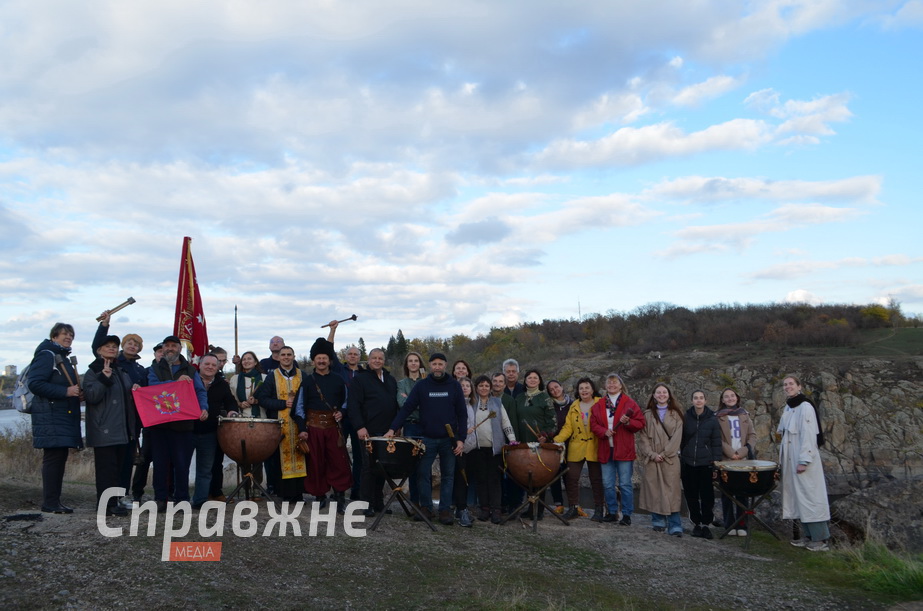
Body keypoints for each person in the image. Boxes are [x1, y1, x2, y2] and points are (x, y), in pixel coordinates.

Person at [386, 353, 468, 526]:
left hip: (449, 439)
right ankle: (426, 508)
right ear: (430, 365)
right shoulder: (422, 386)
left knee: (448, 475)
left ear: (445, 365)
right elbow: (407, 408)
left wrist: (461, 439)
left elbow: (462, 413)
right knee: (423, 474)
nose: (437, 367)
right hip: (427, 438)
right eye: (434, 364)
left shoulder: (454, 386)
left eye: (440, 364)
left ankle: (444, 510)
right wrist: (393, 428)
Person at [293, 323, 352, 512]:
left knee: (339, 462)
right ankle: (320, 496)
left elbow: (347, 401)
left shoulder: (338, 380)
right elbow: (299, 407)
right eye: (318, 358)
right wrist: (302, 428)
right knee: (316, 464)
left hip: (334, 429)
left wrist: (341, 412)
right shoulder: (307, 381)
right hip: (313, 429)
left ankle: (340, 496)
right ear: (313, 361)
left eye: (324, 358)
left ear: (329, 360)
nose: (321, 361)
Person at [91, 311, 148, 510]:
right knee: (109, 466)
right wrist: (104, 325)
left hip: (131, 423)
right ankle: (109, 502)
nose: (132, 346)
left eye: (136, 344)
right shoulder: (110, 363)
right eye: (129, 343)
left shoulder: (139, 370)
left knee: (125, 462)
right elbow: (98, 346)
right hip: (110, 424)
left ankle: (121, 496)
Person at [146, 335, 209, 510]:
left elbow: (200, 391)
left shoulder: (190, 370)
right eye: (167, 346)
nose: (170, 348)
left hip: (183, 425)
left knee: (182, 464)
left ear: (180, 349)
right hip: (160, 425)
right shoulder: (154, 369)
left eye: (174, 345)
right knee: (160, 464)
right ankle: (160, 498)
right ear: (163, 348)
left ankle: (182, 499)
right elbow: (153, 388)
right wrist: (176, 383)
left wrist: (203, 408)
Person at [28, 323, 82, 514]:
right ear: (54, 336)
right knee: (53, 459)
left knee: (59, 458)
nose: (68, 337)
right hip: (51, 416)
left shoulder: (62, 357)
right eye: (64, 334)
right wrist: (65, 391)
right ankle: (50, 502)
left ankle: (54, 501)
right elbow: (34, 383)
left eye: (71, 335)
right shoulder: (46, 355)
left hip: (60, 415)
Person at [83, 334, 139, 516]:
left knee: (117, 470)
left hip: (122, 430)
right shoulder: (93, 371)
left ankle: (113, 503)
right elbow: (91, 397)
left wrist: (135, 390)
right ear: (99, 350)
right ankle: (105, 506)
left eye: (115, 346)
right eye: (107, 346)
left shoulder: (121, 371)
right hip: (104, 429)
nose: (112, 348)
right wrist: (103, 379)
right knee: (106, 471)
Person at [779, 376, 831, 552]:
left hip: (803, 460)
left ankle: (820, 539)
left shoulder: (805, 407)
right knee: (799, 498)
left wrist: (804, 460)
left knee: (811, 497)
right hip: (791, 459)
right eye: (785, 385)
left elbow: (809, 434)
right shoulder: (789, 407)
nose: (788, 387)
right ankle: (808, 536)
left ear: (799, 386)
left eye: (791, 384)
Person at [347, 348, 400, 516]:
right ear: (368, 360)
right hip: (368, 430)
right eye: (374, 358)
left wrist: (395, 427)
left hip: (387, 431)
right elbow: (353, 405)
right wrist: (359, 427)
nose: (377, 360)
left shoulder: (390, 380)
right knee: (368, 467)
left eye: (380, 358)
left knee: (382, 467)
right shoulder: (360, 379)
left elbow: (395, 405)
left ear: (384, 361)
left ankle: (379, 503)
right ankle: (366, 504)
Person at [254, 345, 307, 503]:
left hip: (300, 424)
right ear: (279, 357)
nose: (285, 357)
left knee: (301, 454)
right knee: (279, 459)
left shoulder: (302, 375)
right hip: (280, 424)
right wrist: (283, 403)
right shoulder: (273, 376)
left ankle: (299, 493)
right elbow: (263, 399)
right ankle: (283, 493)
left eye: (289, 354)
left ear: (293, 356)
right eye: (283, 354)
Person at [590, 373, 644, 525]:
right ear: (605, 386)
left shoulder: (629, 403)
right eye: (609, 383)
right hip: (606, 449)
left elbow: (640, 423)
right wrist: (603, 432)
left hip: (624, 449)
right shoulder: (599, 404)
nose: (612, 385)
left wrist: (628, 423)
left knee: (625, 484)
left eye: (615, 383)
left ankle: (626, 514)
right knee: (607, 483)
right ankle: (612, 512)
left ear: (621, 385)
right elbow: (593, 424)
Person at [467, 375, 516, 524]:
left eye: (486, 386)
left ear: (490, 388)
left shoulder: (497, 402)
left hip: (494, 449)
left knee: (494, 480)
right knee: (481, 479)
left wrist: (512, 440)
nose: (484, 388)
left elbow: (505, 422)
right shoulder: (472, 403)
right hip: (477, 448)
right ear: (476, 388)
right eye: (481, 386)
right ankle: (485, 508)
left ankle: (496, 510)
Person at [637, 383, 685, 537]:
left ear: (669, 395)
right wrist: (652, 454)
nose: (662, 394)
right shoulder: (647, 415)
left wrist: (664, 454)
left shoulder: (676, 414)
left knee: (672, 491)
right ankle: (657, 521)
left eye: (664, 392)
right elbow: (642, 438)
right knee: (654, 489)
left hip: (670, 459)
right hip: (652, 459)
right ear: (654, 395)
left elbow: (677, 437)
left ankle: (675, 524)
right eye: (658, 392)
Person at [508, 369, 556, 519]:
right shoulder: (519, 398)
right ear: (525, 380)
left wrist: (546, 436)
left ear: (540, 380)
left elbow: (552, 420)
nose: (533, 380)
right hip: (522, 442)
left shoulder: (545, 398)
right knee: (526, 475)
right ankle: (529, 507)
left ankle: (538, 510)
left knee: (539, 476)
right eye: (530, 377)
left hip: (540, 442)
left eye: (536, 377)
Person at [554, 378, 604, 521]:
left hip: (595, 445)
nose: (584, 391)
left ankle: (599, 508)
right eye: (581, 388)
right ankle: (573, 507)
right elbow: (568, 427)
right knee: (571, 477)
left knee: (596, 479)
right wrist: (557, 440)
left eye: (587, 387)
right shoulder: (574, 405)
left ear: (592, 389)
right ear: (578, 391)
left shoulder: (600, 403)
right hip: (577, 446)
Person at [191, 353, 237, 508]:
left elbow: (230, 402)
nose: (210, 367)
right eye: (207, 364)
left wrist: (232, 411)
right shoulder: (189, 381)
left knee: (205, 469)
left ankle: (200, 501)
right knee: (181, 467)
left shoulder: (222, 384)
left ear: (218, 367)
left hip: (209, 432)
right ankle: (180, 499)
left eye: (213, 365)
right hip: (187, 431)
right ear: (199, 365)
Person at [680, 390, 722, 539]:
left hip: (706, 463)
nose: (698, 401)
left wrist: (715, 463)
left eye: (701, 398)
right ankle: (696, 523)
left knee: (707, 496)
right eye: (696, 398)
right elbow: (681, 439)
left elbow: (716, 442)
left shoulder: (712, 419)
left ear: (705, 400)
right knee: (691, 495)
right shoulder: (686, 418)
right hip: (688, 462)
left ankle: (706, 524)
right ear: (692, 400)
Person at [716, 387, 757, 536]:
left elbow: (752, 436)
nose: (730, 398)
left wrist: (741, 452)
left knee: (742, 493)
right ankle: (729, 524)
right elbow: (717, 438)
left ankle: (742, 524)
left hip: (743, 459)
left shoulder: (744, 415)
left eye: (732, 396)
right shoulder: (718, 417)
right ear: (722, 400)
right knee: (727, 494)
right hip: (725, 459)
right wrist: (731, 453)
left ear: (737, 398)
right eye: (726, 396)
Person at [397, 351, 427, 505]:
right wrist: (419, 402)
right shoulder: (401, 384)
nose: (414, 363)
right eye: (410, 361)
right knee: (413, 466)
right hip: (410, 427)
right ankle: (415, 501)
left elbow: (430, 405)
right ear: (407, 364)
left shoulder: (426, 381)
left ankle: (426, 503)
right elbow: (402, 405)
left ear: (420, 363)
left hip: (427, 426)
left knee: (426, 465)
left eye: (416, 360)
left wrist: (410, 400)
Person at [338, 344, 366, 502]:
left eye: (356, 354)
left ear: (359, 356)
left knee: (359, 456)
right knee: (340, 455)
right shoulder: (339, 371)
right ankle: (340, 490)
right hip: (342, 417)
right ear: (346, 356)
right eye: (350, 354)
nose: (353, 356)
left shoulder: (364, 373)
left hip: (359, 419)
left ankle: (357, 491)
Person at [546, 379, 572, 512]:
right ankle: (559, 504)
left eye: (556, 387)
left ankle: (574, 505)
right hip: (554, 444)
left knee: (570, 475)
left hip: (571, 444)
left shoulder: (573, 404)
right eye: (551, 389)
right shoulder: (550, 406)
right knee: (555, 474)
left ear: (561, 387)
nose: (555, 390)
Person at [228, 351, 265, 417]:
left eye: (249, 359)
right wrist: (240, 404)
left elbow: (269, 398)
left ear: (255, 362)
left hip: (261, 418)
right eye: (244, 359)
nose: (246, 361)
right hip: (241, 418)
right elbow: (231, 399)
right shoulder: (235, 379)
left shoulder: (264, 378)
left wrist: (256, 401)